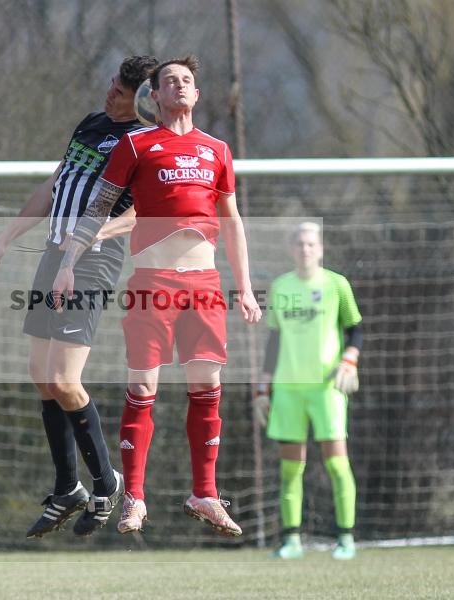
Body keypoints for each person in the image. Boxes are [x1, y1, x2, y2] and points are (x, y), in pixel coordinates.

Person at [53, 56, 262, 537]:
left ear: (197, 93)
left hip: (205, 285)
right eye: (170, 81)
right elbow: (98, 208)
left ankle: (205, 494)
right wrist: (67, 264)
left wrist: (245, 287)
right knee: (142, 389)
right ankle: (135, 500)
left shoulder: (217, 150)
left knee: (207, 390)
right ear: (155, 95)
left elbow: (232, 223)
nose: (180, 86)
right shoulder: (137, 143)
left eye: (187, 80)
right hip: (153, 283)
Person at [0, 55, 159, 537]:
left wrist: (98, 237)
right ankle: (68, 488)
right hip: (52, 254)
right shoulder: (92, 124)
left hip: (91, 263)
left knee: (63, 377)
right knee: (40, 374)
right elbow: (54, 183)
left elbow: (144, 211)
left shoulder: (144, 143)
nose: (110, 94)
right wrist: (5, 239)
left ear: (143, 99)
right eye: (112, 85)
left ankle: (105, 483)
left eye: (121, 92)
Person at [253, 221, 363, 560]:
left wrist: (350, 359)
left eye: (311, 244)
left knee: (337, 464)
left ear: (321, 248)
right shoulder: (281, 286)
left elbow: (355, 329)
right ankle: (291, 540)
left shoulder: (336, 284)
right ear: (292, 249)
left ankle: (345, 539)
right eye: (300, 243)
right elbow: (274, 339)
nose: (305, 249)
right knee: (290, 469)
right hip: (288, 390)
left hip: (327, 389)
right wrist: (262, 386)